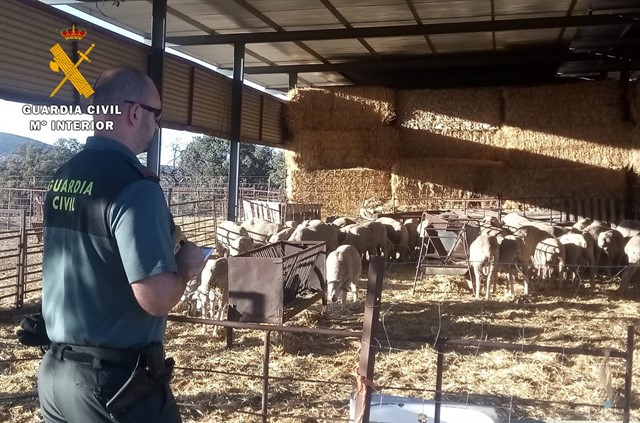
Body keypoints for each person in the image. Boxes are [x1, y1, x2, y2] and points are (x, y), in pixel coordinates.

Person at [37, 66, 206, 423]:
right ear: (134, 113)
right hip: (113, 386)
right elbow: (156, 297)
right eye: (156, 114)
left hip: (55, 376)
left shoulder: (64, 176)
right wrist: (187, 267)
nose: (157, 125)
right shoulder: (135, 188)